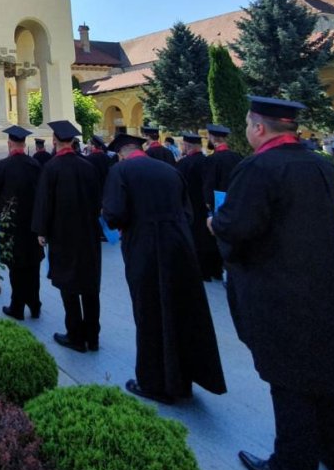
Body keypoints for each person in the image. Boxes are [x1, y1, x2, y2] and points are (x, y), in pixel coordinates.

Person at [211, 96, 334, 470]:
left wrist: (215, 226)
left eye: (247, 124)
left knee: (288, 379)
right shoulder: (324, 167)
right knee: (326, 373)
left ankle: (292, 464)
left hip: (279, 291)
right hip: (323, 290)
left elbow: (238, 226)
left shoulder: (258, 168)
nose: (246, 131)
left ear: (259, 128)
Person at [103, 132, 226, 405]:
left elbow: (113, 215)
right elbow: (188, 212)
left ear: (122, 153)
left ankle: (153, 383)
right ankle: (183, 377)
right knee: (180, 310)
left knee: (148, 311)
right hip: (180, 247)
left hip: (144, 249)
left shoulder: (121, 171)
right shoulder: (169, 170)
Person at [32, 119, 103, 353]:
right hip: (89, 234)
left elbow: (44, 203)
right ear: (73, 142)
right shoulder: (88, 166)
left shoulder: (52, 168)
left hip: (63, 235)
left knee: (69, 284)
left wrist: (42, 231)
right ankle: (92, 337)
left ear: (54, 141)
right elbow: (97, 201)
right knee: (90, 286)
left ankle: (75, 335)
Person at [0, 126, 44, 320]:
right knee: (33, 266)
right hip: (32, 225)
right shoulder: (34, 165)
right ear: (25, 144)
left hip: (11, 226)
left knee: (16, 267)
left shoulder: (3, 166)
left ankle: (17, 307)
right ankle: (35, 304)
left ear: (9, 144)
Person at [199, 123, 242, 280]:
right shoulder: (237, 157)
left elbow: (208, 184)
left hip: (218, 204)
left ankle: (216, 270)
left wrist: (207, 203)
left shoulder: (212, 159)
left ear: (212, 138)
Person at [175, 132, 215, 280]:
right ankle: (212, 269)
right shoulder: (208, 161)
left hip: (189, 207)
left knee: (193, 238)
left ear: (186, 145)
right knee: (207, 236)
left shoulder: (183, 164)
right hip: (206, 206)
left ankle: (197, 270)